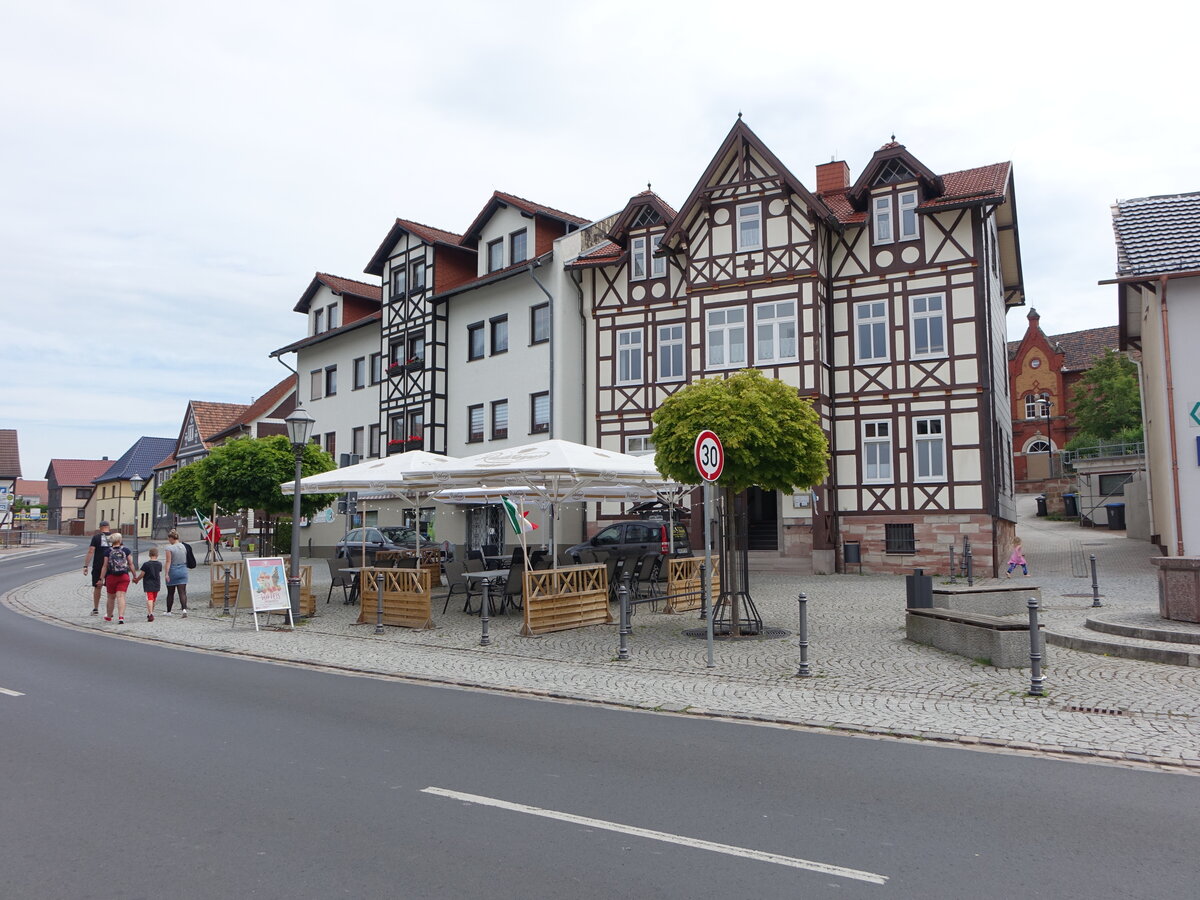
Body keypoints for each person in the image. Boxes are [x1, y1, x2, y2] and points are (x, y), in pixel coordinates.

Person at [98, 532, 134, 624]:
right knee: (121, 597)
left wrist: (101, 579)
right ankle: (121, 617)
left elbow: (105, 566)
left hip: (111, 577)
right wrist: (135, 576)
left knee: (111, 597)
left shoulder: (108, 551)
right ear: (120, 540)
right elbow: (130, 564)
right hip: (124, 576)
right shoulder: (126, 550)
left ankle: (109, 616)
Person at [82, 520, 112, 615]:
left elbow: (91, 551)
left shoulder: (96, 537)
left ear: (100, 528)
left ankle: (96, 609)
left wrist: (86, 565)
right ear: (109, 527)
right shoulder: (115, 537)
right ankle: (109, 611)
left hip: (98, 565)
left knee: (97, 586)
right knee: (110, 588)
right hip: (112, 566)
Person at [163, 529, 190, 617]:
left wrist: (166, 573)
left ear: (171, 538)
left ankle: (169, 611)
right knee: (182, 592)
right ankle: (184, 609)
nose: (169, 541)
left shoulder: (169, 548)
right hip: (183, 570)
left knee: (170, 592)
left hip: (173, 570)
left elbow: (168, 561)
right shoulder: (184, 546)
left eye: (169, 539)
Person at [134, 546, 163, 622]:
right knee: (153, 599)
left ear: (149, 555)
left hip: (148, 584)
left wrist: (137, 579)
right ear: (157, 555)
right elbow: (159, 572)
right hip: (157, 583)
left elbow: (142, 574)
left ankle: (150, 614)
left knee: (149, 599)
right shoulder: (159, 564)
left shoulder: (146, 564)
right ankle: (151, 612)